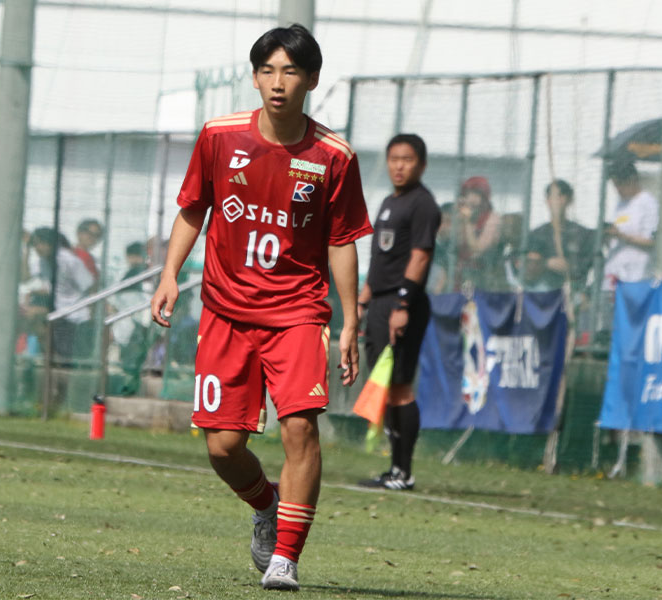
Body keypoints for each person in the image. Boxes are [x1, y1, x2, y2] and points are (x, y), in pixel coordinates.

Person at [150, 24, 372, 591]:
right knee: (223, 447)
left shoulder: (333, 156)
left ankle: (285, 559)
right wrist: (170, 274)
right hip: (225, 311)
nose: (278, 83)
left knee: (301, 428)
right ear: (255, 77)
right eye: (268, 71)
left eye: (291, 71)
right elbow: (193, 208)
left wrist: (348, 321)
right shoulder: (219, 137)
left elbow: (341, 240)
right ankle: (266, 505)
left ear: (312, 79)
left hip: (298, 313)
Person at [357, 133, 440, 491]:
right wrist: (363, 300)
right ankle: (393, 469)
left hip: (401, 304)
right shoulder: (391, 201)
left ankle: (403, 472)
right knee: (387, 386)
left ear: (421, 164)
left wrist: (403, 304)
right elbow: (381, 259)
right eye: (394, 159)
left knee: (401, 387)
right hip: (379, 302)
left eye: (407, 159)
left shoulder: (423, 204)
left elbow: (420, 256)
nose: (399, 166)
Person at [24, 227, 97, 359]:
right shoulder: (42, 261)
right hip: (57, 313)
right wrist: (26, 250)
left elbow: (91, 286)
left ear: (50, 243)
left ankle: (51, 356)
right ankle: (46, 354)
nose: (38, 248)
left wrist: (92, 315)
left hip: (75, 315)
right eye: (35, 244)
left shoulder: (69, 260)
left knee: (34, 314)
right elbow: (24, 278)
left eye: (41, 243)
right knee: (26, 314)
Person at [521, 180, 593, 293]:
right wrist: (547, 263)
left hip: (572, 293)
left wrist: (570, 267)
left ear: (569, 200)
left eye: (562, 196)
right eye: (555, 197)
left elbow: (588, 267)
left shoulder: (582, 234)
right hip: (543, 294)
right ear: (547, 201)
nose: (559, 201)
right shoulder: (537, 234)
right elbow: (528, 268)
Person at [601, 161, 658, 292]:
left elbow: (652, 241)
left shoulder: (648, 203)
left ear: (633, 179)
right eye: (615, 186)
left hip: (636, 277)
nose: (618, 189)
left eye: (620, 184)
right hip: (615, 273)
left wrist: (621, 235)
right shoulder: (621, 204)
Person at [454, 176, 503, 290]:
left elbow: (477, 249)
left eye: (477, 195)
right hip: (458, 274)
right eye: (468, 195)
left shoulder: (493, 218)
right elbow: (454, 243)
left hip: (483, 275)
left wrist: (468, 223)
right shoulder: (459, 215)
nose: (472, 200)